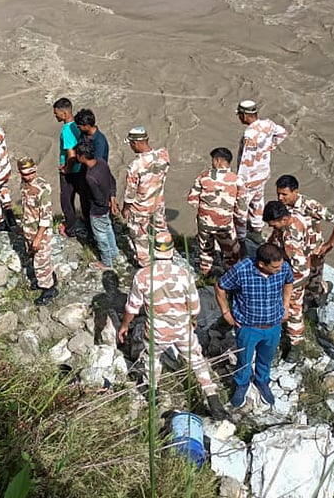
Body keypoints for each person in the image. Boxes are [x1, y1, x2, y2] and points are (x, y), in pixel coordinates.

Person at [116, 231, 222, 417]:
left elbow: (132, 307)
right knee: (196, 361)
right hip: (182, 329)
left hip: (156, 332)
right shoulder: (184, 275)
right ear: (172, 250)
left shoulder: (142, 276)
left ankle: (153, 392)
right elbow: (195, 307)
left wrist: (124, 326)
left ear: (152, 250)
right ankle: (211, 396)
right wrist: (192, 320)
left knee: (152, 359)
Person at [214, 243, 293, 409]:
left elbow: (288, 282)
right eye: (275, 267)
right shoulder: (241, 270)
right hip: (248, 327)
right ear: (261, 264)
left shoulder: (283, 267)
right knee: (244, 359)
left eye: (280, 265)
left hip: (273, 325)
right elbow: (221, 287)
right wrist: (226, 313)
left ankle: (262, 381)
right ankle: (242, 384)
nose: (279, 269)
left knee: (266, 357)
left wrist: (286, 305)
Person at [275, 174, 334, 307]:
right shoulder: (282, 206)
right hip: (292, 249)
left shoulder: (310, 206)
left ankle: (319, 296)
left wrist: (330, 243)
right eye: (278, 194)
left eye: (284, 194)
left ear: (295, 191)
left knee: (312, 285)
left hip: (313, 251)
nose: (280, 198)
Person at [261, 200, 318, 362]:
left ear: (283, 220)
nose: (272, 228)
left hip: (294, 277)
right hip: (300, 262)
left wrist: (285, 283)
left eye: (273, 225)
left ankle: (295, 344)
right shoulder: (296, 216)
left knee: (293, 309)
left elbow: (299, 267)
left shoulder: (290, 240)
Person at [187, 146, 249, 274]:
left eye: (213, 160)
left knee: (205, 249)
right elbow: (242, 208)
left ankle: (206, 272)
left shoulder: (203, 177)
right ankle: (231, 275)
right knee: (232, 251)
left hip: (204, 223)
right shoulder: (237, 180)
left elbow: (192, 201)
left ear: (218, 161)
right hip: (224, 224)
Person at [236, 100, 288, 240]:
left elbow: (245, 162)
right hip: (263, 173)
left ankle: (241, 239)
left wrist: (240, 183)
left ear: (245, 115)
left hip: (250, 179)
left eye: (240, 115)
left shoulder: (249, 135)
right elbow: (283, 133)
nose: (239, 118)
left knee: (241, 210)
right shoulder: (268, 124)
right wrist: (269, 147)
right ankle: (257, 230)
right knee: (258, 202)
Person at [120, 126, 169, 267]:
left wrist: (125, 209)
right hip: (158, 203)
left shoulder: (135, 166)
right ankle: (165, 259)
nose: (130, 146)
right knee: (161, 231)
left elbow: (130, 193)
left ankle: (146, 266)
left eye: (130, 143)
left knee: (140, 237)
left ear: (135, 143)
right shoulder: (163, 155)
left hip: (140, 208)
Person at [17, 156, 59, 305]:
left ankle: (49, 289)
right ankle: (44, 279)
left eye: (31, 172)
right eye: (24, 174)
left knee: (41, 261)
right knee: (37, 258)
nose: (28, 176)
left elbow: (46, 217)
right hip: (29, 228)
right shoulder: (24, 184)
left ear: (35, 170)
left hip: (41, 232)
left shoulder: (43, 189)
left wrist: (38, 237)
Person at [76, 140, 119, 270]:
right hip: (107, 207)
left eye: (78, 154)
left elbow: (98, 198)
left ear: (82, 157)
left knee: (100, 236)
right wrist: (112, 200)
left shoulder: (90, 177)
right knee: (108, 229)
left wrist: (102, 204)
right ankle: (114, 252)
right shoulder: (102, 162)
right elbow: (112, 180)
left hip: (97, 211)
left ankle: (106, 262)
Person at [53, 97, 91, 238]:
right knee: (84, 197)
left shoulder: (67, 130)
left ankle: (71, 228)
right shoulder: (78, 125)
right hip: (81, 169)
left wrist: (66, 170)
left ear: (64, 113)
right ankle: (88, 222)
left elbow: (71, 154)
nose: (55, 116)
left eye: (56, 113)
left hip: (71, 171)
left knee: (67, 201)